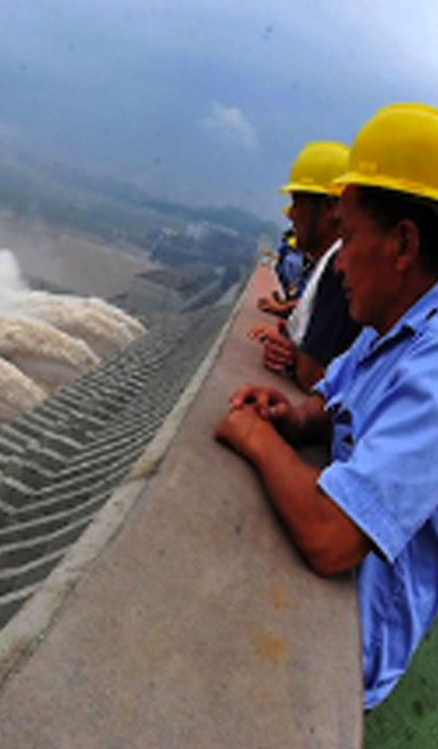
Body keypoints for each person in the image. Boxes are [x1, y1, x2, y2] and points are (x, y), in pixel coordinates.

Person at [216, 102, 438, 710]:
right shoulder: (391, 325)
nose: (338, 263)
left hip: (345, 656)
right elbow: (331, 398)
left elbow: (332, 537)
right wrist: (292, 418)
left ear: (403, 244)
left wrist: (256, 438)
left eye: (352, 238)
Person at [250, 141, 361, 392]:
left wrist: (294, 359)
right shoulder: (329, 262)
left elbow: (313, 375)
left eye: (298, 201)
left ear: (331, 208)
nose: (291, 213)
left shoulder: (339, 266)